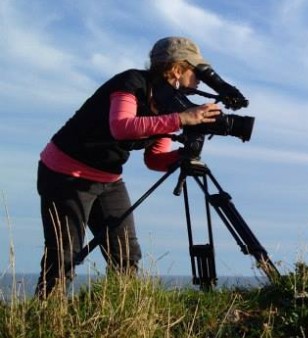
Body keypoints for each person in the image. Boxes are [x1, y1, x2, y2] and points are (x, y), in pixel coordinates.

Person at [35, 36, 222, 297]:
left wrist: (183, 156)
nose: (200, 78)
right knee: (63, 254)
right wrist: (180, 120)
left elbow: (154, 159)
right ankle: (47, 316)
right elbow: (121, 127)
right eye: (196, 70)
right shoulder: (132, 83)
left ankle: (120, 313)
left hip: (108, 179)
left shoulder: (169, 106)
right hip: (66, 173)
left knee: (125, 255)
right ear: (177, 69)